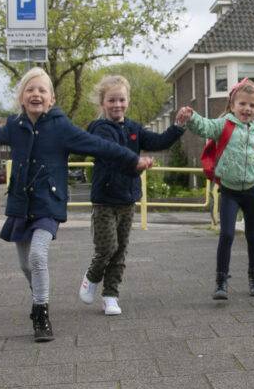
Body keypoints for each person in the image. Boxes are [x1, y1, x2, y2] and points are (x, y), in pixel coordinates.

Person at [0, 67, 153, 341]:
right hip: (21, 205)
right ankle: (39, 294)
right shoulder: (14, 126)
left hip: (48, 203)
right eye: (30, 89)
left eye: (42, 90)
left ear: (51, 99)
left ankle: (41, 314)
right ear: (22, 97)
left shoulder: (60, 127)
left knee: (38, 256)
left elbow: (99, 145)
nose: (36, 94)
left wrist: (133, 159)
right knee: (26, 266)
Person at [80, 75, 188, 315]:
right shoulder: (100, 130)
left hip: (127, 199)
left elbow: (158, 141)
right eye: (112, 100)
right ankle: (92, 276)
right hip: (105, 199)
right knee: (107, 248)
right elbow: (112, 154)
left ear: (128, 100)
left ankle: (110, 296)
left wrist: (178, 126)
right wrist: (135, 163)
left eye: (122, 99)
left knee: (120, 251)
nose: (117, 105)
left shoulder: (133, 128)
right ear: (102, 102)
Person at [177, 78, 254, 300]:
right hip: (230, 191)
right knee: (227, 234)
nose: (247, 109)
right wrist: (191, 117)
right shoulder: (224, 125)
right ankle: (221, 281)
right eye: (242, 104)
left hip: (251, 190)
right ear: (232, 106)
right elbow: (205, 126)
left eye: (252, 105)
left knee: (253, 235)